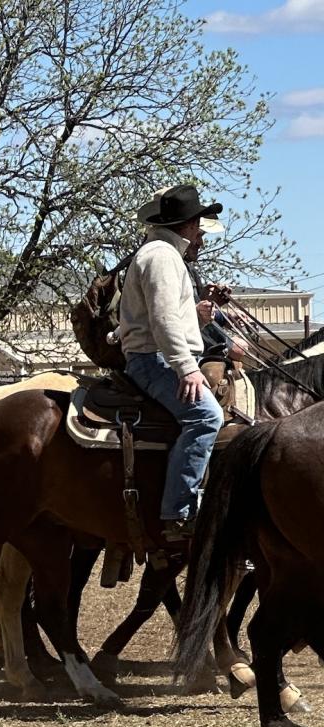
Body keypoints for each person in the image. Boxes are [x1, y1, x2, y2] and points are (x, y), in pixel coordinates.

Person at [116, 183, 227, 542]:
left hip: (154, 355)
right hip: (154, 361)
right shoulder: (162, 257)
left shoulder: (159, 253)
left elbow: (166, 318)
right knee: (207, 416)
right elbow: (163, 322)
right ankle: (179, 514)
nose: (201, 237)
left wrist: (199, 316)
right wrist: (187, 367)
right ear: (190, 226)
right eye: (199, 228)